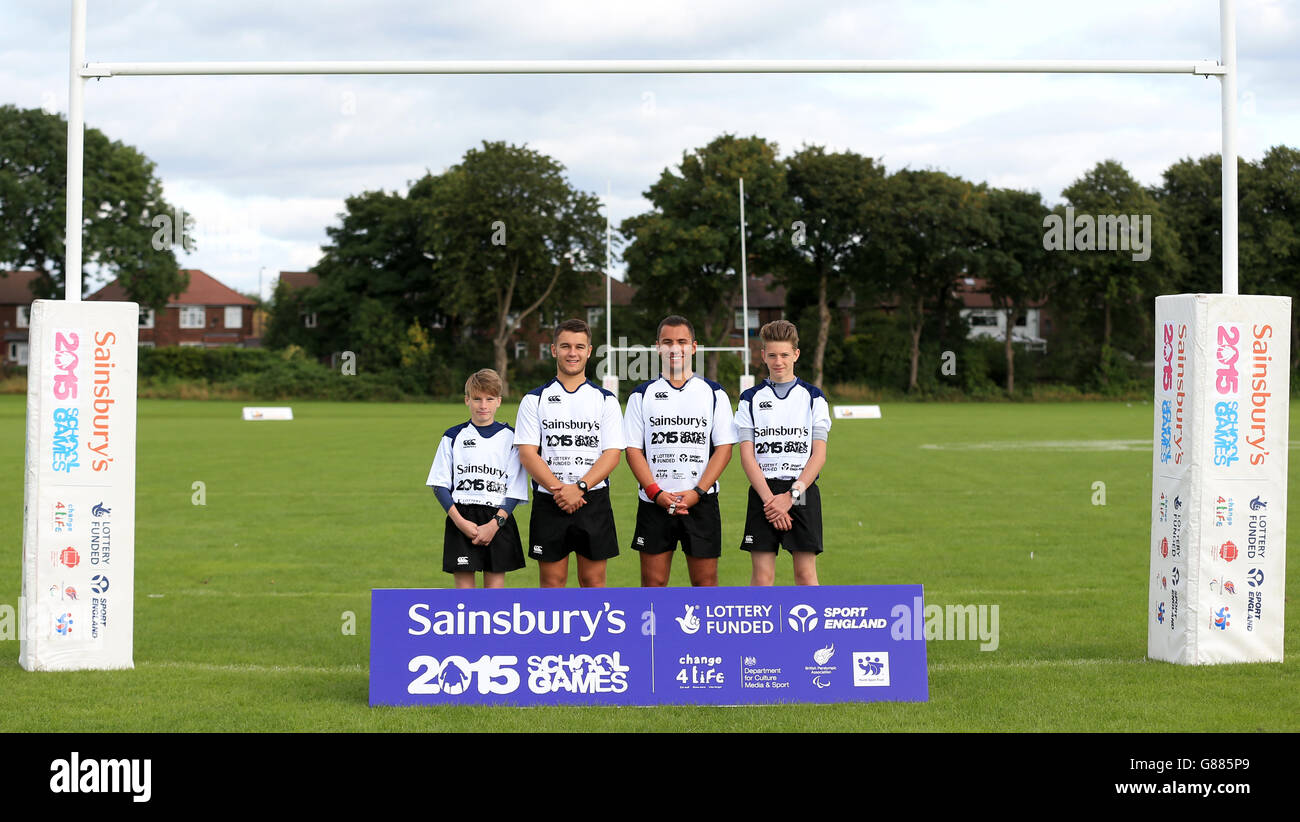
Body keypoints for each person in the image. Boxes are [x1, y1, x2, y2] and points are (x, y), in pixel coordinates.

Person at [623, 315, 736, 586]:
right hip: (655, 502)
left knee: (705, 585)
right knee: (653, 585)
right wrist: (656, 493)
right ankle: (653, 631)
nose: (675, 348)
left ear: (694, 347)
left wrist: (698, 493)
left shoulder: (714, 393)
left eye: (682, 342)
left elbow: (724, 449)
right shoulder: (641, 394)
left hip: (701, 501)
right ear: (657, 348)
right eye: (667, 342)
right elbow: (633, 450)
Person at [515, 318, 625, 588]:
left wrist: (581, 487)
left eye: (579, 346)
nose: (572, 353)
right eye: (565, 346)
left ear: (589, 351)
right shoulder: (534, 399)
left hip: (593, 499)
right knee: (552, 584)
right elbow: (528, 454)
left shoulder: (606, 400)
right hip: (550, 500)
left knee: (593, 582)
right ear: (554, 350)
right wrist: (561, 490)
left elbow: (612, 453)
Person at [734, 320, 831, 586]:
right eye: (773, 355)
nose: (779, 361)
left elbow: (818, 455)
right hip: (763, 490)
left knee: (805, 574)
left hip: (801, 489)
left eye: (785, 355)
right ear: (763, 355)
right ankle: (760, 628)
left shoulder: (814, 397)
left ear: (796, 355)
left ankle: (812, 629)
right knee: (763, 578)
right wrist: (770, 501)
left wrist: (791, 496)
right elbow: (747, 456)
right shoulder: (749, 398)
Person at [426, 369, 530, 589]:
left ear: (499, 401)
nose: (483, 405)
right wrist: (459, 522)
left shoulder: (512, 438)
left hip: (497, 519)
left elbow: (514, 489)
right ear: (467, 400)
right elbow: (439, 484)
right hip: (462, 516)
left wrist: (495, 524)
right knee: (465, 597)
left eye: (489, 399)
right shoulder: (453, 436)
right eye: (477, 399)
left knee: (494, 596)